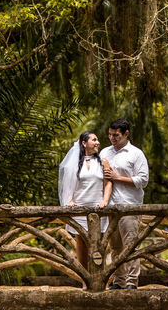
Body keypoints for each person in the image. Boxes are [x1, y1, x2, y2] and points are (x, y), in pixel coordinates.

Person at [100, 118, 149, 290]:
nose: (112, 138)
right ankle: (118, 281)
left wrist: (117, 178)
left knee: (130, 246)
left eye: (116, 135)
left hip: (129, 205)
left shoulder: (136, 154)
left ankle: (131, 282)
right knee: (115, 247)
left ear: (126, 134)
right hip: (110, 206)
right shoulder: (104, 152)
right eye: (110, 135)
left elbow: (143, 180)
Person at [58, 132, 112, 288]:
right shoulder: (73, 163)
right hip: (79, 208)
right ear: (83, 143)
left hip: (98, 207)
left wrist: (105, 200)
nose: (98, 142)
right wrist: (71, 201)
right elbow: (68, 186)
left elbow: (108, 183)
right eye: (94, 140)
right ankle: (85, 280)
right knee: (81, 244)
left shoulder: (103, 162)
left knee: (99, 244)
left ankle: (99, 279)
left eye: (97, 140)